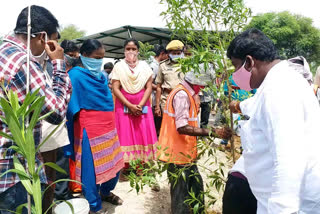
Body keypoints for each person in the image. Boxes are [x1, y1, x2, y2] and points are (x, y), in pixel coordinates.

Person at [227, 28, 320, 213]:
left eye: (236, 66)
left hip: (290, 205)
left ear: (249, 61)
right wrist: (239, 105)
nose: (235, 74)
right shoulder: (278, 82)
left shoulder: (279, 89)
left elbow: (289, 159)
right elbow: (256, 106)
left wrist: (281, 209)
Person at [0, 5, 71, 213]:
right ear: (42, 37)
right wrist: (58, 63)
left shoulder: (4, 52)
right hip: (13, 174)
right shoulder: (23, 61)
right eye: (54, 41)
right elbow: (56, 112)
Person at [157, 69, 232, 214]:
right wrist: (212, 132)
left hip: (184, 152)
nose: (203, 89)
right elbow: (182, 127)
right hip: (177, 153)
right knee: (180, 195)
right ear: (198, 83)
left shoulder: (186, 93)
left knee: (195, 187)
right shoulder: (182, 95)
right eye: (203, 85)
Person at [65, 39, 124, 214]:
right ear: (84, 56)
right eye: (96, 57)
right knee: (90, 169)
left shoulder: (100, 76)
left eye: (102, 58)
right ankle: (93, 204)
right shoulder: (75, 75)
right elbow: (71, 106)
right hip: (89, 129)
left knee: (115, 163)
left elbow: (107, 100)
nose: (99, 61)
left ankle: (105, 192)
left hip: (108, 127)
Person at [112, 38, 157, 180]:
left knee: (142, 133)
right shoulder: (119, 67)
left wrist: (141, 104)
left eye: (133, 49)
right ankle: (126, 168)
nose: (130, 51)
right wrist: (129, 105)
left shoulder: (145, 66)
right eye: (128, 49)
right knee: (125, 135)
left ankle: (142, 166)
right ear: (124, 50)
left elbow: (149, 87)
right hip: (123, 106)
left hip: (143, 106)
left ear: (138, 51)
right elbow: (115, 88)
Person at [154, 40, 185, 118]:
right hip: (166, 99)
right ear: (169, 54)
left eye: (178, 53)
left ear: (182, 53)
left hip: (183, 99)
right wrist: (157, 106)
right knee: (167, 124)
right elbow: (158, 87)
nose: (176, 55)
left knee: (182, 124)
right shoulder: (163, 65)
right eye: (174, 53)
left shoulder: (187, 65)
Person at [149, 44, 168, 135]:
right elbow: (148, 83)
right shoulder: (155, 66)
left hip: (157, 98)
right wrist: (160, 88)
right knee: (157, 124)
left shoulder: (158, 65)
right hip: (154, 98)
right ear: (162, 53)